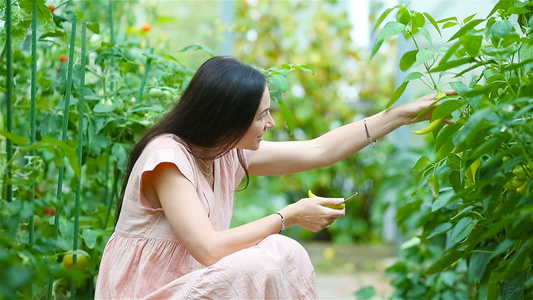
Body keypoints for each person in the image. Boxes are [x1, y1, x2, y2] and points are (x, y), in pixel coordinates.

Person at [95, 56, 453, 299]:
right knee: (260, 259)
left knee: (283, 252)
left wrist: (402, 115)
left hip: (194, 284)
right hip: (150, 291)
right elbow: (209, 249)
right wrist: (289, 216)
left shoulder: (223, 153)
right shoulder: (168, 159)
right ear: (226, 119)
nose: (270, 124)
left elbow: (319, 151)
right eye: (261, 116)